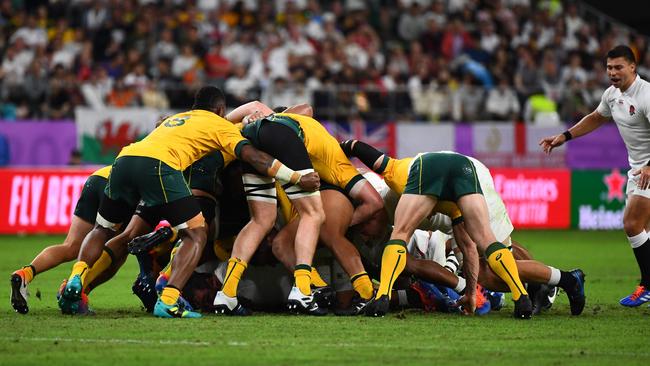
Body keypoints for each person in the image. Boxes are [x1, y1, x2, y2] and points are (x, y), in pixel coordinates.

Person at [57, 86, 320, 318]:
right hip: (171, 176)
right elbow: (261, 148)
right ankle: (169, 292)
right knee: (198, 234)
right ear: (220, 109)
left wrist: (253, 112)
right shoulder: (227, 128)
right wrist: (295, 175)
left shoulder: (180, 119)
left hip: (126, 161)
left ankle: (77, 280)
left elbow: (253, 109)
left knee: (110, 231)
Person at [340, 141, 533, 318]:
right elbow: (469, 250)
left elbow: (361, 149)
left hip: (427, 166)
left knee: (400, 234)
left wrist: (342, 148)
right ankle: (521, 295)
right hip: (465, 168)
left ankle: (382, 297)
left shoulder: (398, 173)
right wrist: (471, 293)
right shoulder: (453, 207)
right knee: (487, 239)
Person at [540, 45, 650, 307]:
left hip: (648, 169)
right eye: (609, 67)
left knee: (632, 224)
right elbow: (595, 118)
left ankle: (647, 285)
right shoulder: (612, 96)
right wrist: (564, 136)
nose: (612, 72)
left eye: (619, 67)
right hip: (638, 169)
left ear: (632, 67)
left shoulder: (646, 95)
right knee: (644, 230)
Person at [10, 166, 128, 314]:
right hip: (119, 186)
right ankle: (76, 293)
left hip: (96, 179)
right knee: (118, 250)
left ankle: (25, 274)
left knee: (71, 246)